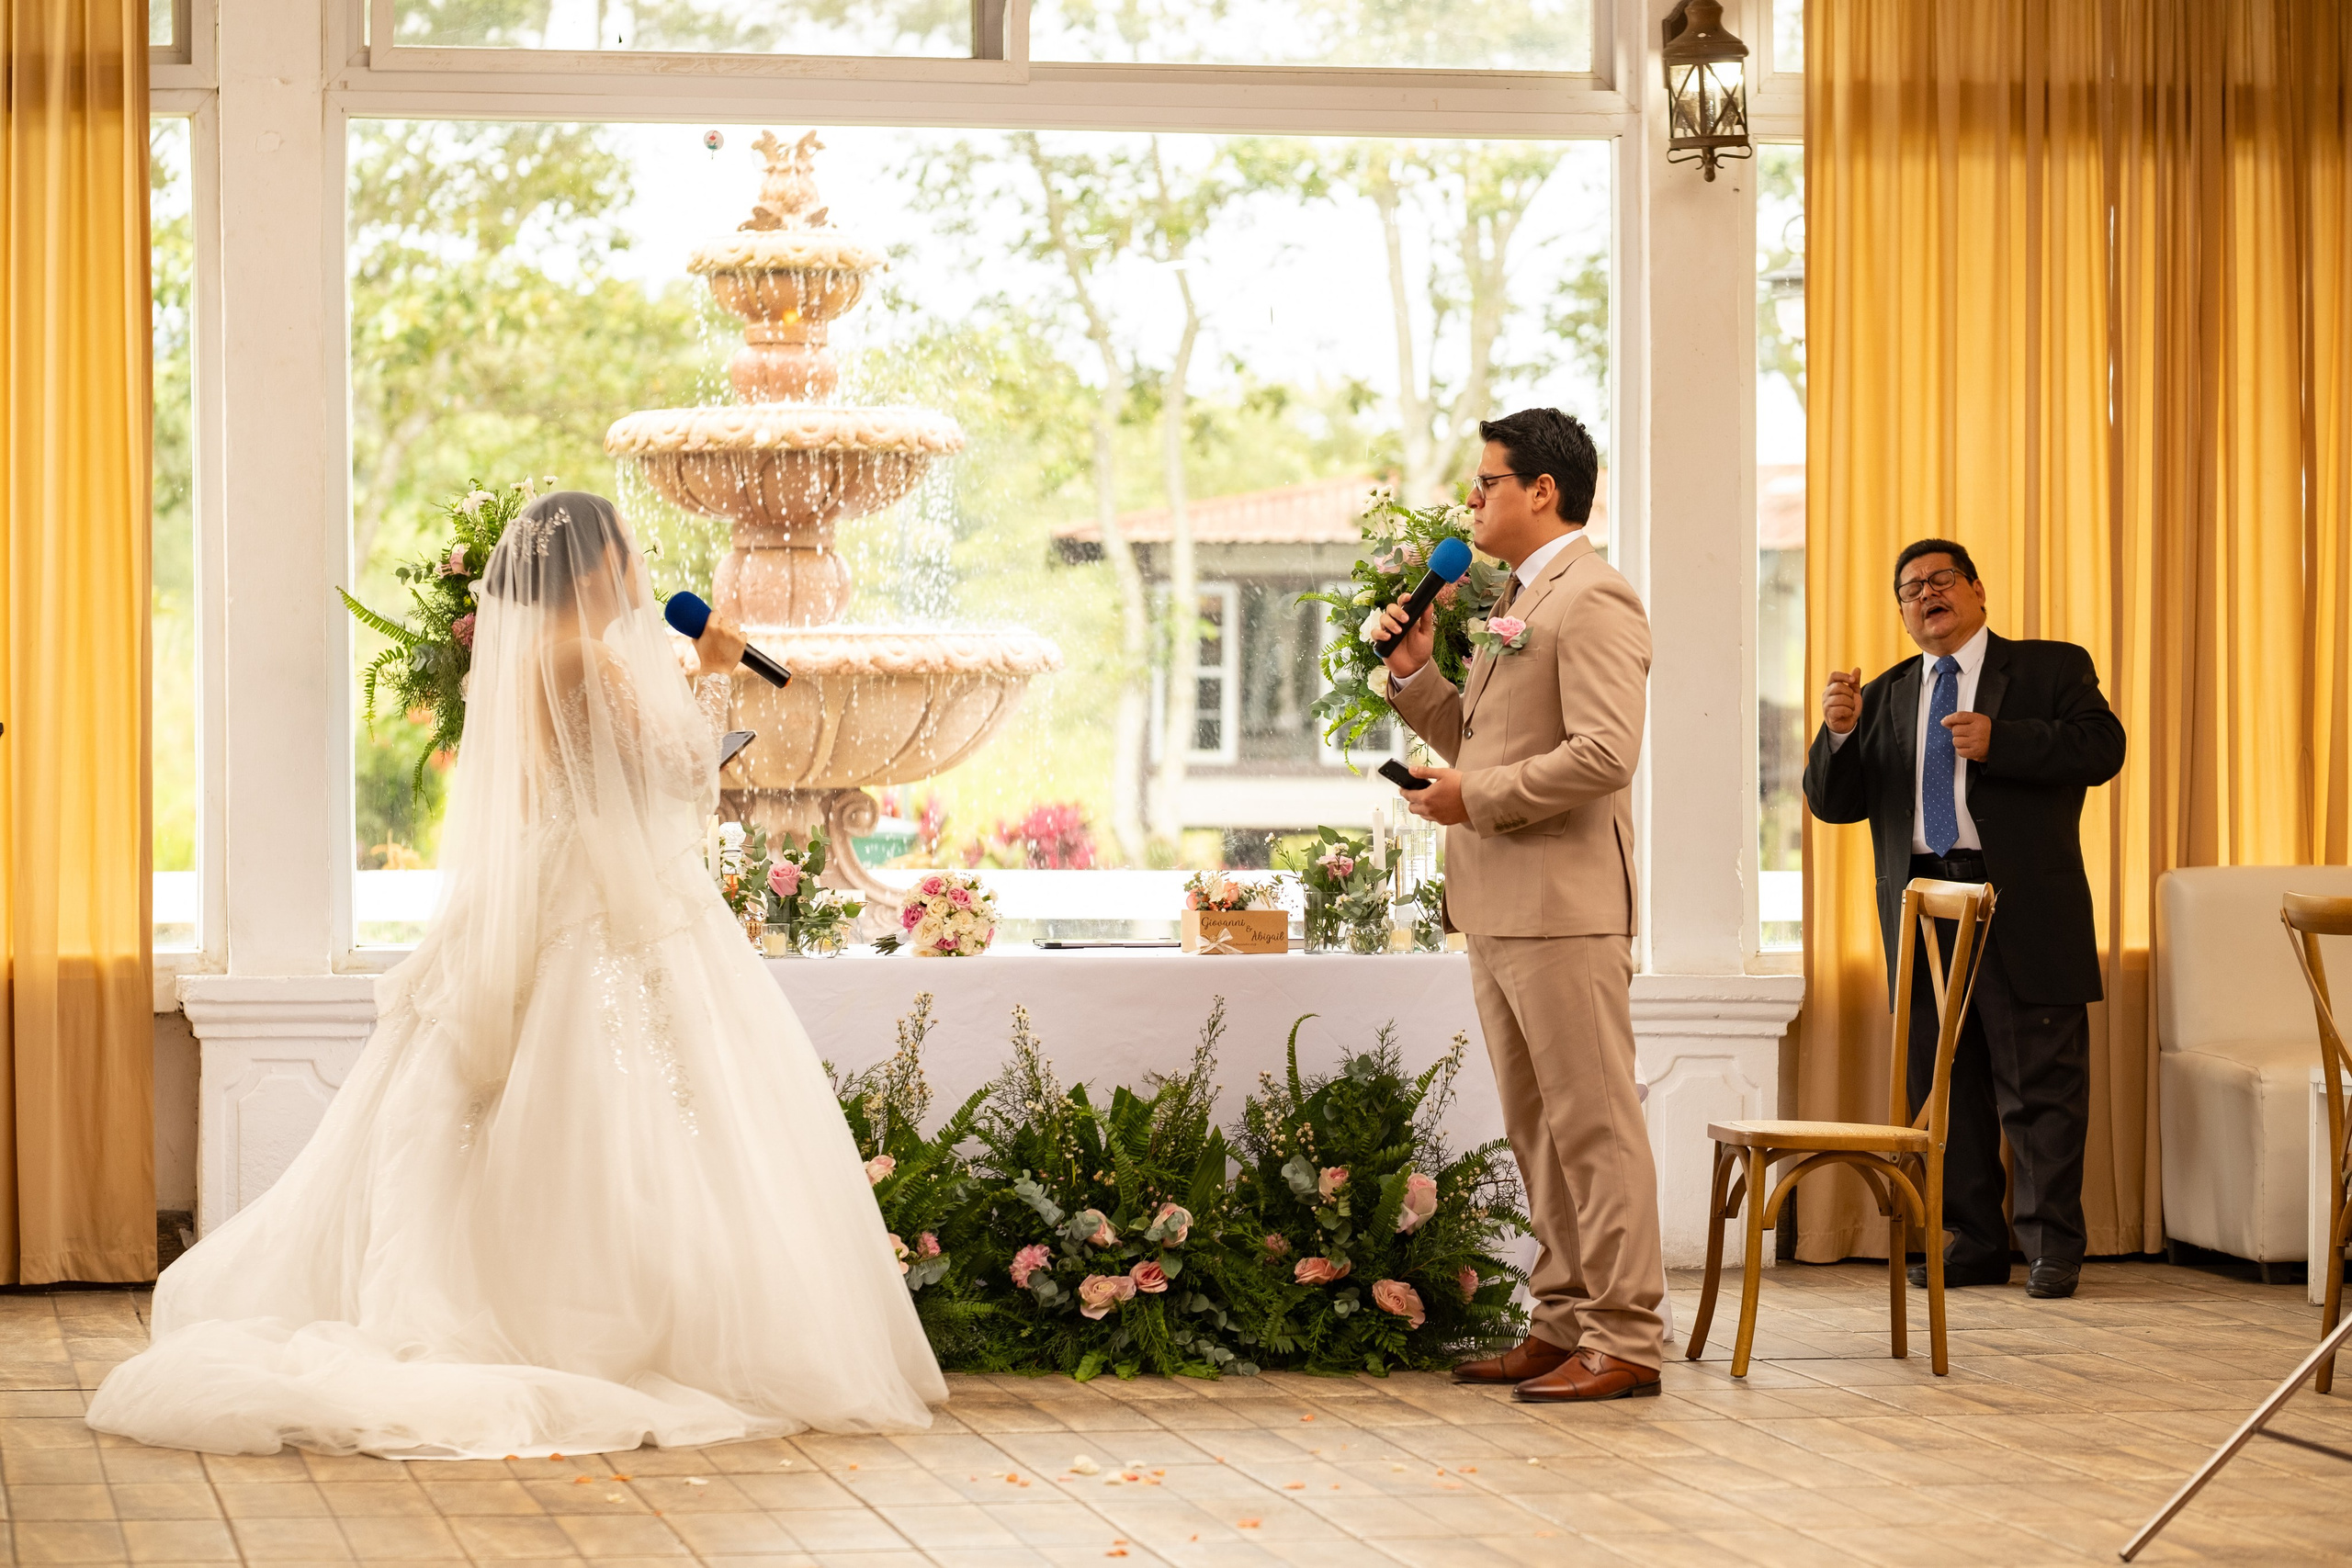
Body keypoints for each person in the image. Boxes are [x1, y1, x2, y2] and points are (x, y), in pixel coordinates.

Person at [87, 493, 944, 1457]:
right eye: (625, 549)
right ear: (588, 567)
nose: (637, 566)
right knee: (620, 1098)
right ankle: (602, 1312)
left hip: (556, 883)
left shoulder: (545, 658)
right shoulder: (584, 657)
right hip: (601, 900)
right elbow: (668, 774)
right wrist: (709, 676)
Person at [1374, 408, 1665, 1402]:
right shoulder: (1513, 597)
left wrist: (1475, 799)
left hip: (1564, 904)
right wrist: (1414, 675)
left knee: (1594, 1126)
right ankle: (1560, 1318)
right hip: (1497, 900)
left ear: (1543, 490)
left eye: (1487, 482)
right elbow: (1481, 741)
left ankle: (1624, 1336)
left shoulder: (1594, 598)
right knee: (1538, 1130)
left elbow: (1603, 755)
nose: (1471, 500)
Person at [1804, 539, 2125, 1300]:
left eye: (1941, 580)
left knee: (2039, 1080)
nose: (1927, 595)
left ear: (1977, 590)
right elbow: (1832, 801)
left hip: (2018, 903)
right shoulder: (1884, 693)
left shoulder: (2049, 667)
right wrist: (1841, 731)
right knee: (1947, 1082)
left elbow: (2103, 746)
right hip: (1924, 910)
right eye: (1910, 589)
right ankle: (1973, 1241)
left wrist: (2001, 742)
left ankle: (2052, 1249)